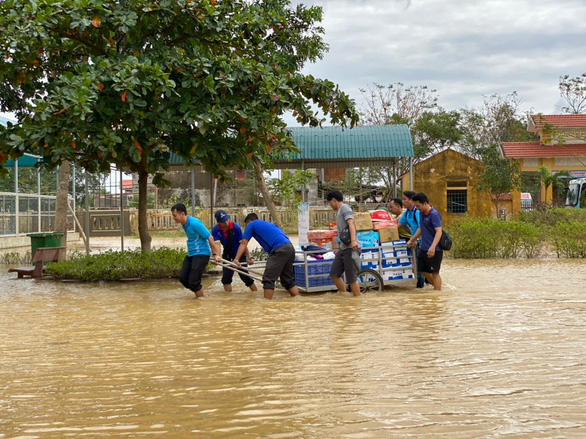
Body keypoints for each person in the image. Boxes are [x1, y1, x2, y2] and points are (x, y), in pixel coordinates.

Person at [233, 213, 299, 300]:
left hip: (279, 250)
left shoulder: (251, 224)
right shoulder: (268, 224)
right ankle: (298, 300)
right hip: (289, 248)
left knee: (268, 278)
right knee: (288, 280)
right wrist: (249, 258)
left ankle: (266, 305)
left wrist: (236, 260)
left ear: (249, 222)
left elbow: (243, 243)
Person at [171, 203, 220, 298]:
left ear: (182, 214)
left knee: (193, 281)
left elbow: (209, 237)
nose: (173, 218)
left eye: (174, 215)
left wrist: (215, 254)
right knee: (183, 278)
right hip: (191, 254)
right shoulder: (184, 224)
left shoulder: (195, 223)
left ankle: (201, 300)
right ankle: (200, 294)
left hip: (201, 254)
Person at [211, 210, 257, 293]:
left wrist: (249, 257)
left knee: (245, 276)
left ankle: (255, 292)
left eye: (227, 219)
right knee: (226, 279)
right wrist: (216, 256)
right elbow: (217, 244)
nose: (226, 222)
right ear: (218, 222)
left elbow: (243, 244)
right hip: (228, 254)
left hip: (239, 253)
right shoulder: (215, 230)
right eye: (223, 221)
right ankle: (228, 299)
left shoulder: (236, 227)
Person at [326, 190, 361, 297]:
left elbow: (351, 223)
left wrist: (354, 240)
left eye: (329, 203)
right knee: (334, 274)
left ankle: (357, 299)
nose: (330, 205)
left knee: (351, 278)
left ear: (334, 200)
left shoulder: (345, 208)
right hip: (343, 248)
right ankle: (344, 295)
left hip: (350, 248)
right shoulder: (340, 211)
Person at [406, 193, 443, 291]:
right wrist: (412, 240)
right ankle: (436, 287)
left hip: (435, 248)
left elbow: (439, 231)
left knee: (434, 272)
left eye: (418, 206)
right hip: (424, 247)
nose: (417, 208)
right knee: (422, 271)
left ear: (425, 203)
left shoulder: (434, 214)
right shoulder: (422, 214)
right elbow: (420, 229)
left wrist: (433, 247)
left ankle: (437, 293)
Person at [400, 191, 426, 288]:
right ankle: (428, 286)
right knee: (417, 267)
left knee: (419, 269)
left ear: (412, 200)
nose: (403, 202)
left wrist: (415, 239)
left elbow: (422, 227)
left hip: (421, 243)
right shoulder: (407, 213)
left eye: (405, 199)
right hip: (415, 242)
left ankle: (421, 290)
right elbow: (398, 224)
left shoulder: (417, 212)